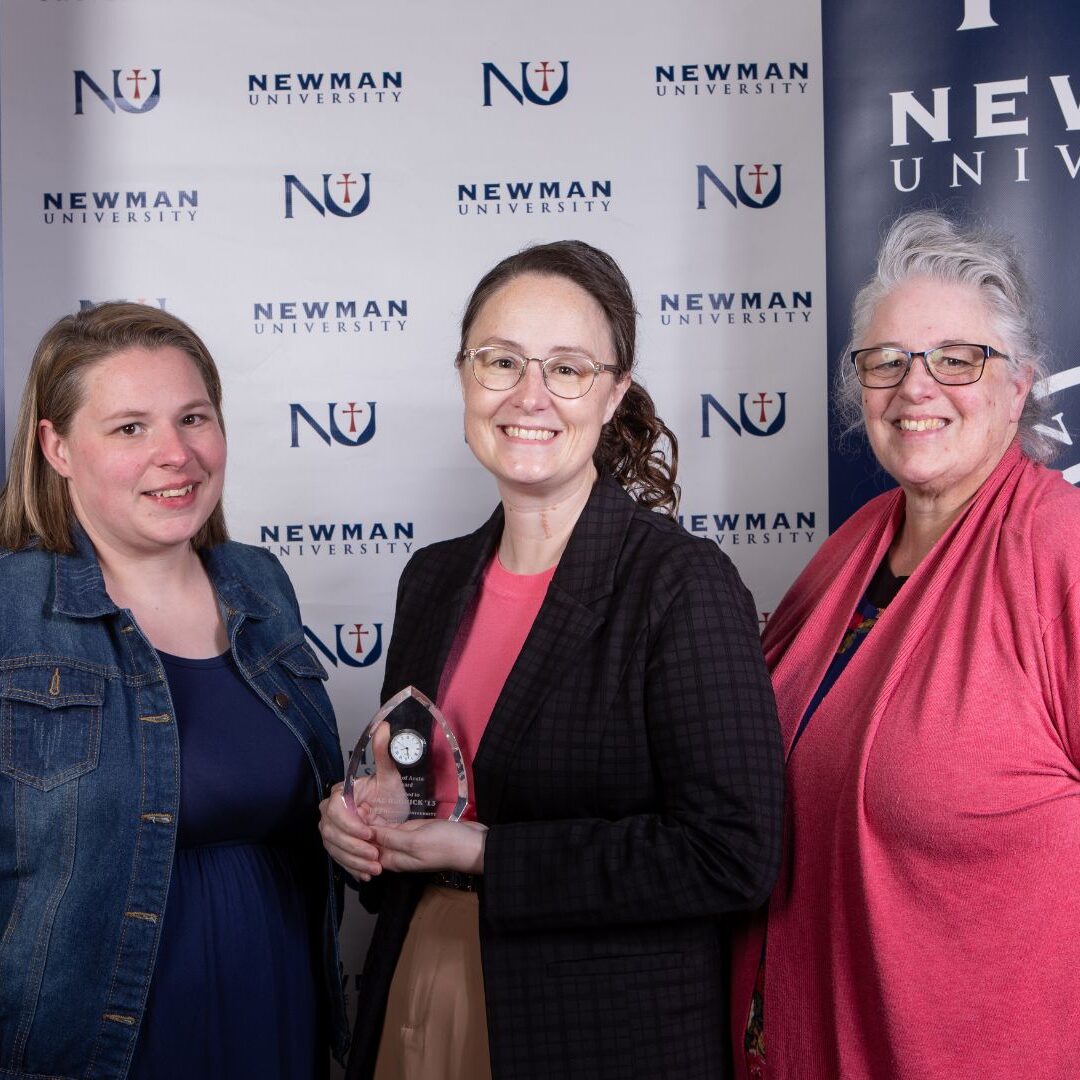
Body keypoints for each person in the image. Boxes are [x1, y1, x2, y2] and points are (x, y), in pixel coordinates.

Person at [319, 239, 784, 1080]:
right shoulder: (432, 578)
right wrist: (361, 836)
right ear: (464, 375)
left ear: (614, 394)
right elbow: (415, 792)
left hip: (598, 1037)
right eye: (500, 361)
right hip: (418, 988)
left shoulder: (680, 584)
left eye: (567, 369)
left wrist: (488, 854)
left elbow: (733, 855)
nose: (528, 395)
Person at [730, 210, 1080, 1079]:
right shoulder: (848, 550)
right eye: (887, 363)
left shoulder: (1060, 550)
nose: (916, 387)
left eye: (957, 359)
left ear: (1019, 383)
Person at [0, 303, 348, 1079]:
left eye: (194, 418)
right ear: (56, 446)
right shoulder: (11, 611)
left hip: (278, 1009)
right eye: (129, 428)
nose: (177, 455)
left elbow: (300, 816)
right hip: (95, 1043)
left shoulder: (260, 584)